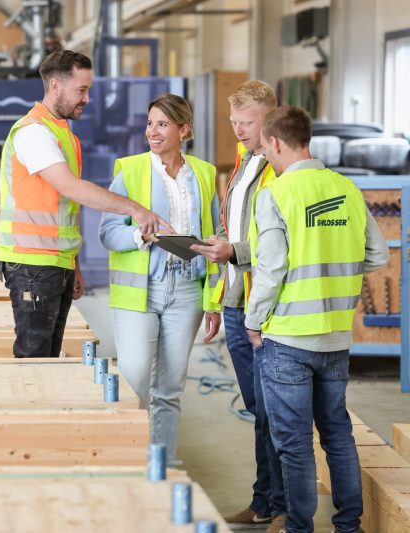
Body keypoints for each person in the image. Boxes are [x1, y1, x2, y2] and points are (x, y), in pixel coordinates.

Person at [245, 105, 388, 533]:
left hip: (288, 338)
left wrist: (254, 320)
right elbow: (377, 255)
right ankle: (349, 526)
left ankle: (299, 529)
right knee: (338, 434)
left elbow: (270, 270)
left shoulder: (277, 193)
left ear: (274, 142)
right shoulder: (346, 188)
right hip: (336, 337)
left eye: (266, 149)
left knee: (294, 445)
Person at [0, 50, 168, 358]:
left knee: (48, 357)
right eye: (81, 90)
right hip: (32, 264)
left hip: (53, 263)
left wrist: (72, 264)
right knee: (34, 361)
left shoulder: (62, 134)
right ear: (55, 86)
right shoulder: (34, 133)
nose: (87, 98)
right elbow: (72, 189)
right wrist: (136, 210)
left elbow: (61, 209)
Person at [99, 94, 222, 464]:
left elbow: (214, 236)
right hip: (142, 290)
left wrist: (212, 300)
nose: (152, 131)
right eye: (150, 123)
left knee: (169, 389)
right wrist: (141, 236)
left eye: (163, 124)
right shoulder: (131, 171)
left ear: (183, 130)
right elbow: (108, 232)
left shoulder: (203, 173)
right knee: (135, 379)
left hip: (187, 290)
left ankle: (163, 463)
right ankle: (132, 459)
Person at [190, 80, 286, 530]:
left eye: (245, 123)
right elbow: (234, 234)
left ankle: (278, 502)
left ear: (269, 119)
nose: (238, 130)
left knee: (272, 412)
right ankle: (265, 499)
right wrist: (217, 298)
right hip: (236, 302)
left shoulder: (280, 168)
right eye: (234, 122)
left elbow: (279, 243)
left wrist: (234, 253)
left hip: (262, 310)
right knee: (257, 409)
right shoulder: (244, 162)